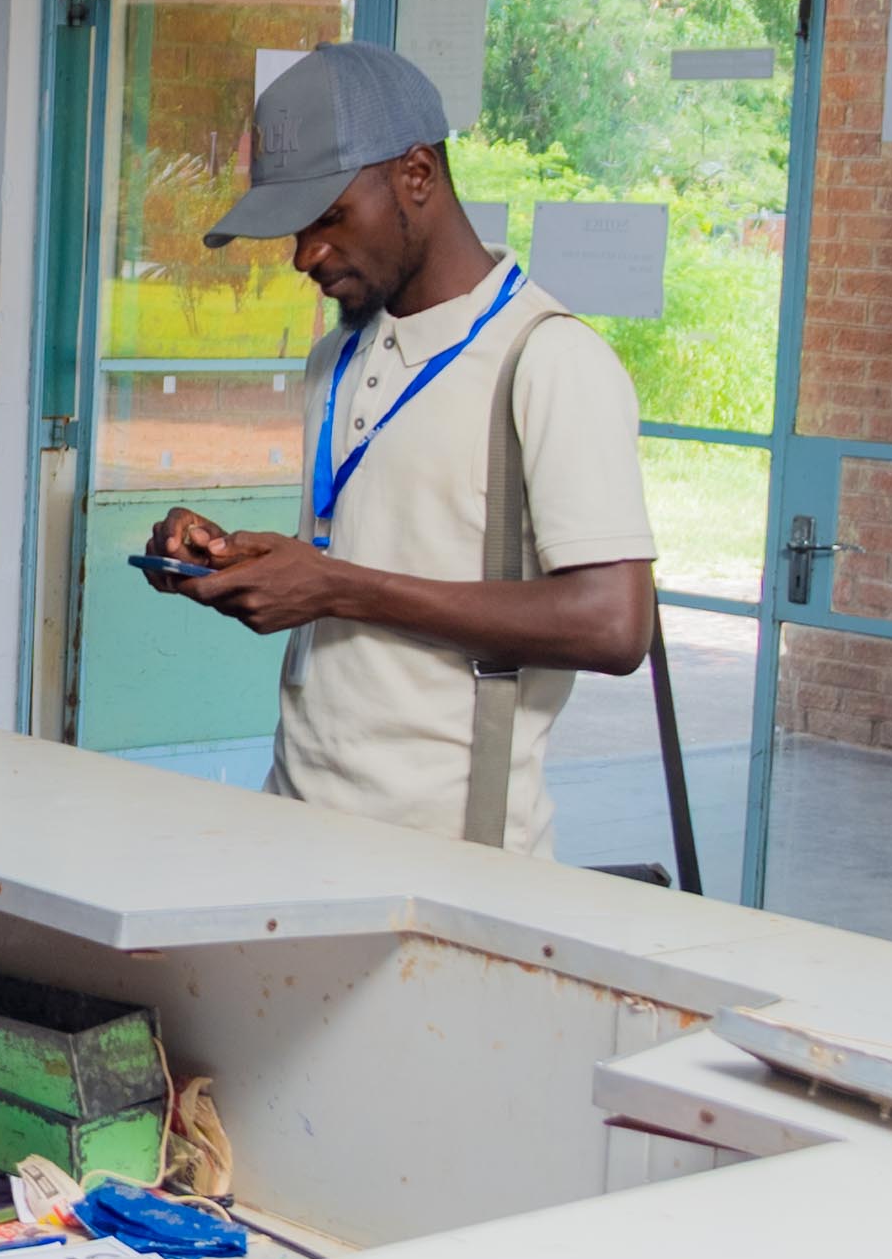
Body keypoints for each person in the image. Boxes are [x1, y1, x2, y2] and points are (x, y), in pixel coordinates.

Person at [141, 43, 656, 856]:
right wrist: (232, 561)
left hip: (453, 858)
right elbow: (363, 559)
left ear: (417, 174)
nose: (304, 255)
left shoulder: (548, 359)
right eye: (294, 229)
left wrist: (336, 587)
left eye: (329, 218)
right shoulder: (338, 355)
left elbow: (615, 625)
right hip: (295, 820)